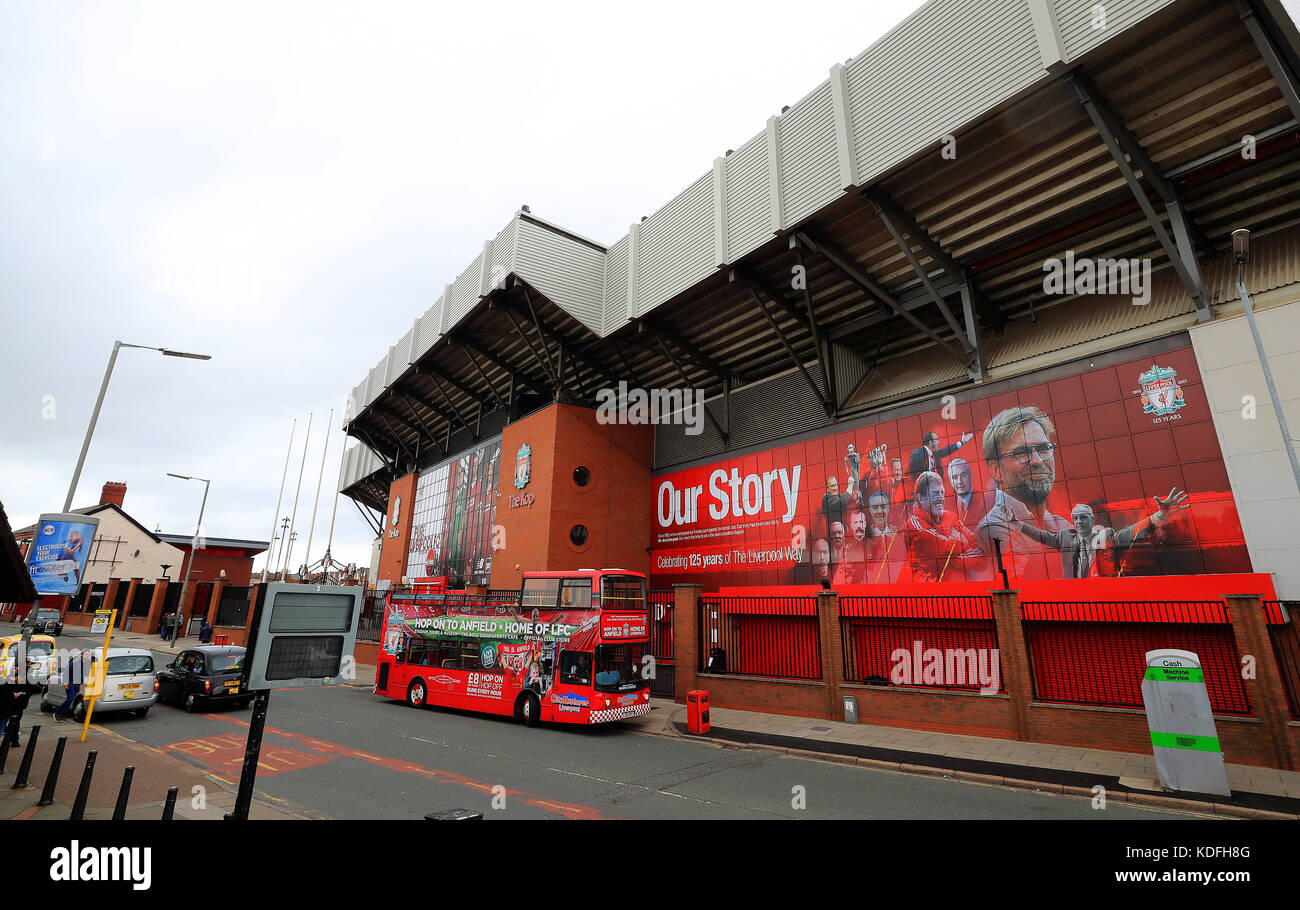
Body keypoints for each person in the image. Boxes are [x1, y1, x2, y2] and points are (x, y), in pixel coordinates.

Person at [976, 406, 1071, 580]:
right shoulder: (995, 529)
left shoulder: (1063, 526)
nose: (1037, 460)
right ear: (996, 470)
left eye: (1043, 448)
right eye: (1022, 452)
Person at [999, 494, 1191, 578]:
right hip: (1075, 597)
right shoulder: (1065, 537)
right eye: (1076, 518)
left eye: (1083, 518)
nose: (1079, 521)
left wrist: (1159, 516)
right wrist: (1017, 523)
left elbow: (1132, 533)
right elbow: (1041, 535)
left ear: (1091, 520)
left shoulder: (1106, 535)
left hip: (1106, 594)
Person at [904, 472, 980, 582]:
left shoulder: (950, 516)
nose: (941, 498)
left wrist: (956, 550)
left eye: (942, 493)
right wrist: (962, 541)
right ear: (920, 498)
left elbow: (976, 542)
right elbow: (946, 549)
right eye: (935, 494)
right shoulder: (914, 525)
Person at [908, 430, 975, 480]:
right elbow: (910, 474)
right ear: (931, 443)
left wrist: (962, 442)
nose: (939, 442)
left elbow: (947, 450)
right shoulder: (917, 454)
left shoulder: (935, 453)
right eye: (937, 440)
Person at [947, 458, 988, 530]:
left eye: (963, 475)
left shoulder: (986, 500)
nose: (960, 482)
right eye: (955, 477)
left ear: (971, 477)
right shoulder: (946, 506)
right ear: (950, 482)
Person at [55, 650, 90, 722]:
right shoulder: (74, 663)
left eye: (88, 655)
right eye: (86, 654)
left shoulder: (86, 664)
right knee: (70, 699)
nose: (87, 656)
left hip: (77, 685)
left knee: (70, 700)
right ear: (82, 655)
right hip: (70, 684)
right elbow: (66, 672)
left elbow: (82, 675)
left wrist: (81, 684)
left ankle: (62, 715)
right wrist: (65, 683)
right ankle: (58, 713)